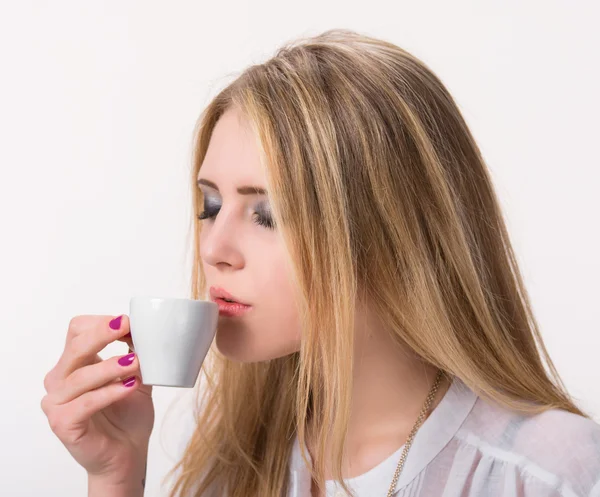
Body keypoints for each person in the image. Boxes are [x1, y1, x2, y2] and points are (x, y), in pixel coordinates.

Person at [41, 28, 600, 497]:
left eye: (269, 215)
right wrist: (115, 475)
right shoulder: (235, 463)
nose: (214, 249)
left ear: (392, 231)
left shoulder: (544, 472)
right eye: (211, 205)